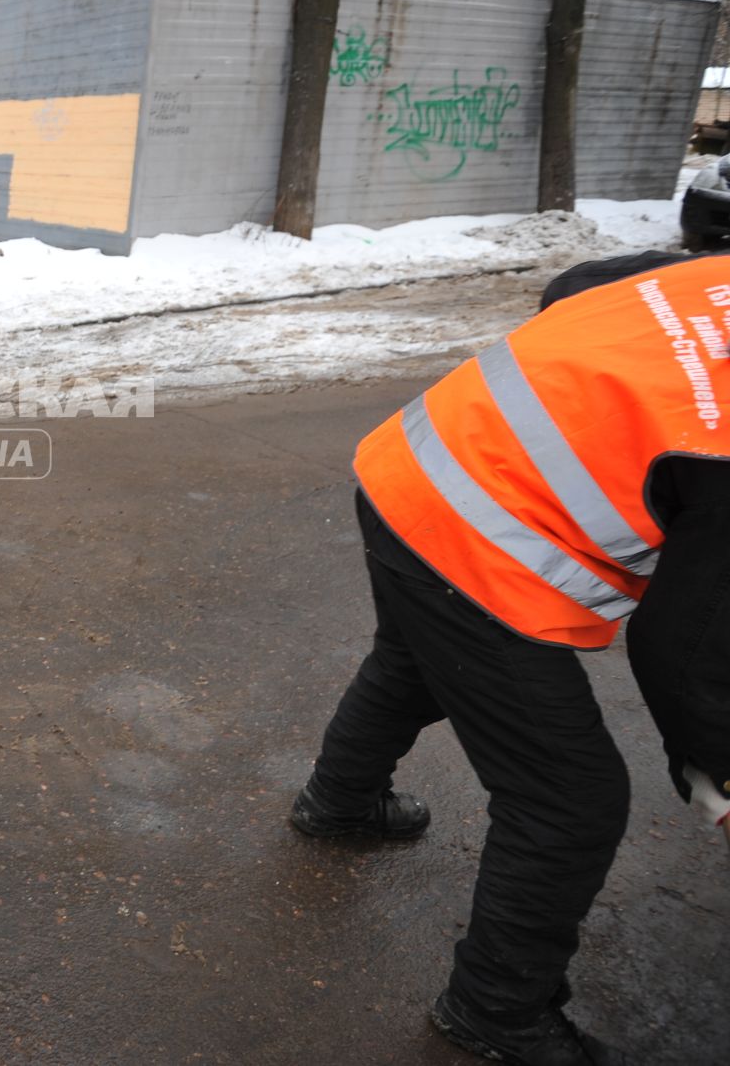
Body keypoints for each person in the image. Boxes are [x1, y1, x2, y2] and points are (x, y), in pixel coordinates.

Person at [293, 252, 730, 1065]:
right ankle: (493, 1009)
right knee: (570, 799)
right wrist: (714, 764)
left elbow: (576, 286)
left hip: (413, 461)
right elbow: (686, 652)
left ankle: (338, 804)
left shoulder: (715, 272)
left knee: (417, 661)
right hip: (478, 537)